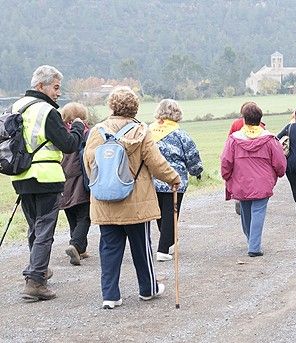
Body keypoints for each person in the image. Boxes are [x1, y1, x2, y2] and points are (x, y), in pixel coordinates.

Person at [83, 86, 181, 309]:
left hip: (104, 200)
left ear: (111, 105)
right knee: (141, 247)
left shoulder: (96, 132)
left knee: (108, 248)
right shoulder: (140, 131)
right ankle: (148, 289)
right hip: (135, 201)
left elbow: (89, 164)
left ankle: (110, 295)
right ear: (135, 107)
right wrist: (173, 179)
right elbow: (156, 163)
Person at [11, 65, 85, 301]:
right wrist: (76, 128)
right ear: (41, 86)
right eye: (55, 87)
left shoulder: (16, 107)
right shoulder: (46, 111)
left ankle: (37, 269)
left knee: (34, 227)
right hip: (46, 176)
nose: (58, 93)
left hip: (21, 176)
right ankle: (35, 281)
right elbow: (68, 145)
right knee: (45, 230)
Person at [221, 102, 286, 257]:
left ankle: (252, 242)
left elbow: (226, 161)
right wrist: (280, 172)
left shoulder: (234, 139)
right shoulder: (269, 139)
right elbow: (280, 162)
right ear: (260, 119)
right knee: (258, 212)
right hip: (262, 183)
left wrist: (226, 176)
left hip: (240, 182)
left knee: (246, 212)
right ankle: (254, 245)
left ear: (244, 119)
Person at [149, 99, 203, 262]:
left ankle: (168, 240)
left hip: (153, 179)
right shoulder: (181, 135)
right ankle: (163, 249)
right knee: (171, 214)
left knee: (160, 214)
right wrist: (197, 171)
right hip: (175, 181)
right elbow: (192, 156)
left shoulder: (148, 132)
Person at [59, 102, 91, 266]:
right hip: (80, 180)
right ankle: (76, 245)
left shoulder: (59, 134)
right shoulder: (85, 133)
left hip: (62, 181)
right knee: (85, 216)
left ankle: (81, 249)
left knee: (71, 214)